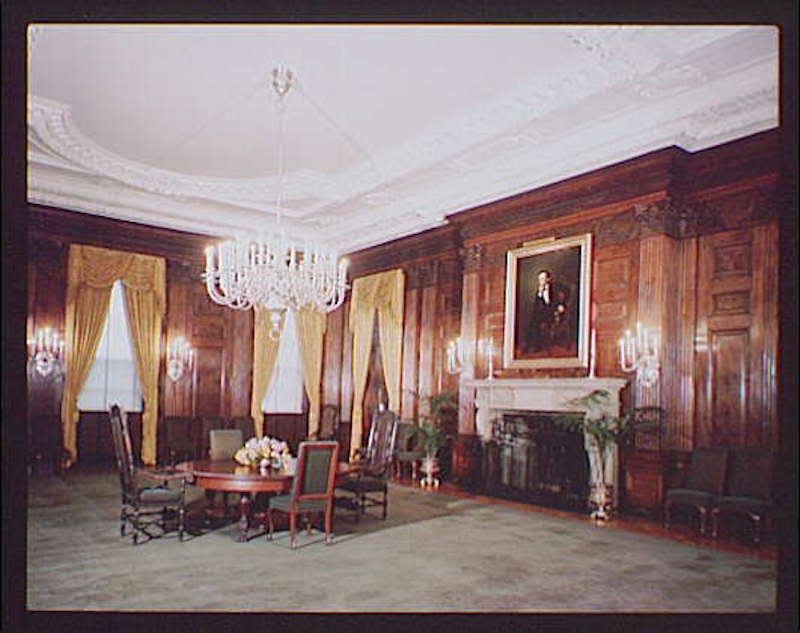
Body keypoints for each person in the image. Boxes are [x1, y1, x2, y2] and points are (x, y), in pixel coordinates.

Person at [527, 269, 572, 353]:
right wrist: (540, 294)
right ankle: (533, 345)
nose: (541, 281)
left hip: (554, 311)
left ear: (548, 279)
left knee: (537, 321)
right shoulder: (539, 290)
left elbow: (563, 295)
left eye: (543, 279)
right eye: (540, 279)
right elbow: (536, 306)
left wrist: (561, 305)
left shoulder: (555, 287)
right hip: (545, 312)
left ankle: (536, 344)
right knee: (533, 320)